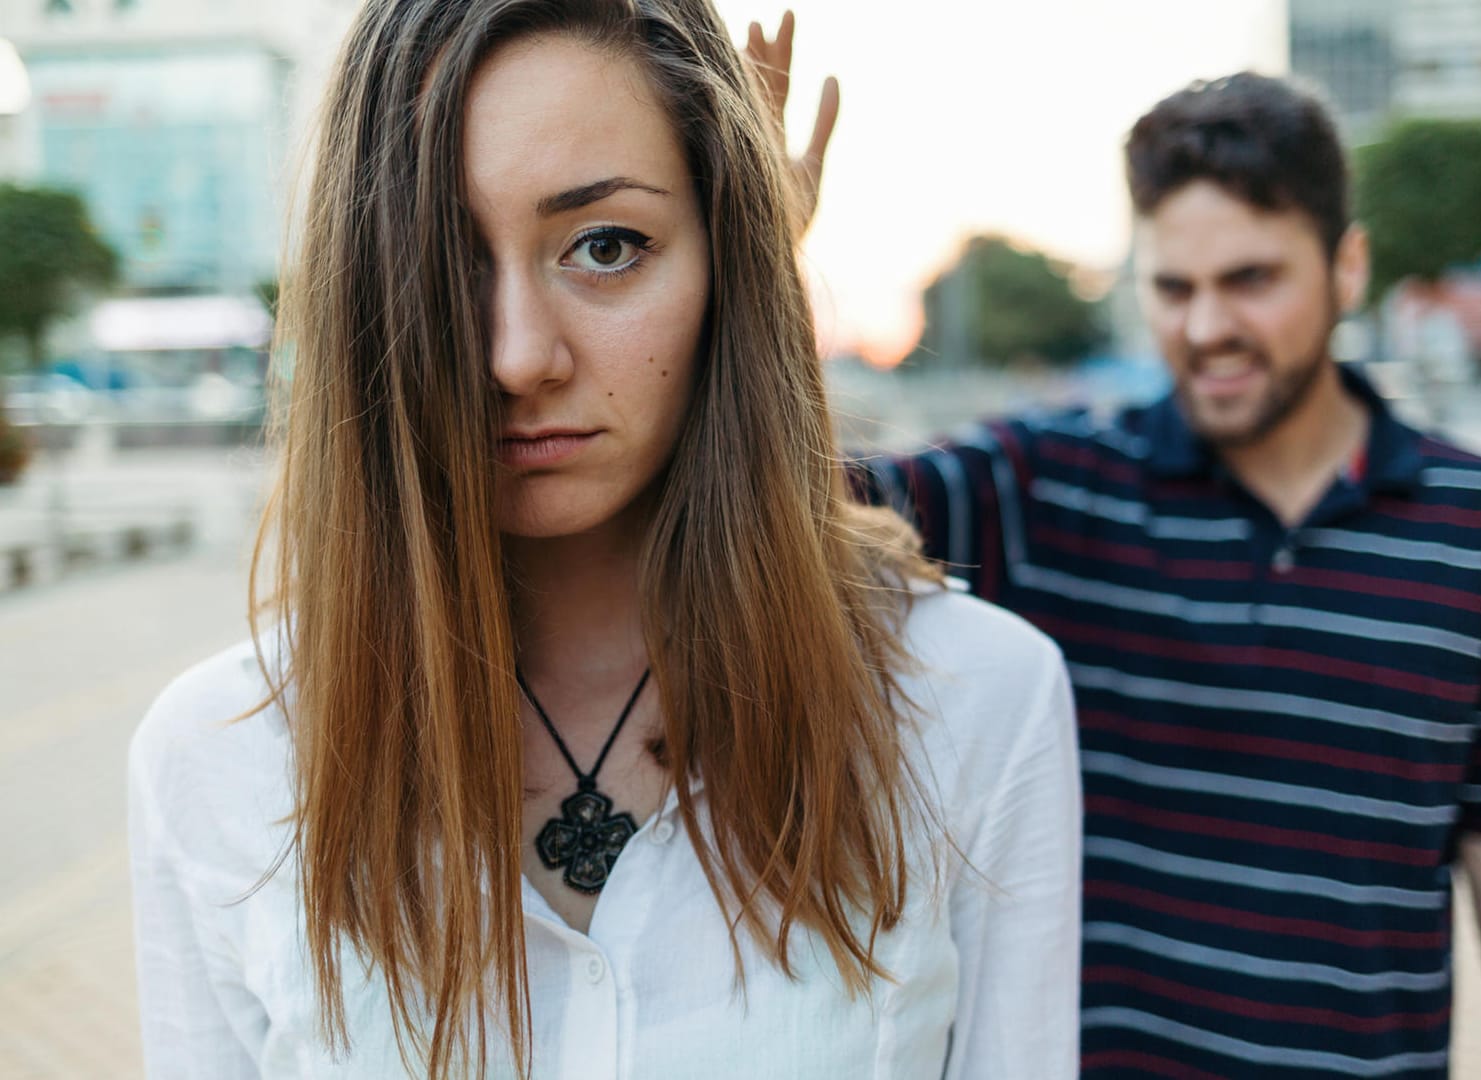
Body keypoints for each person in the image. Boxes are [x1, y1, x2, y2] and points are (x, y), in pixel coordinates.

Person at [126, 2, 1079, 1077]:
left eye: (606, 246)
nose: (518, 357)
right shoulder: (218, 759)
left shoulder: (972, 703)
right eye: (445, 262)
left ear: (734, 268)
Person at [855, 73, 1481, 1077]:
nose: (1206, 326)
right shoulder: (1048, 489)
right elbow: (789, 506)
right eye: (1175, 288)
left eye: (1251, 279)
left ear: (1348, 268)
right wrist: (748, 258)